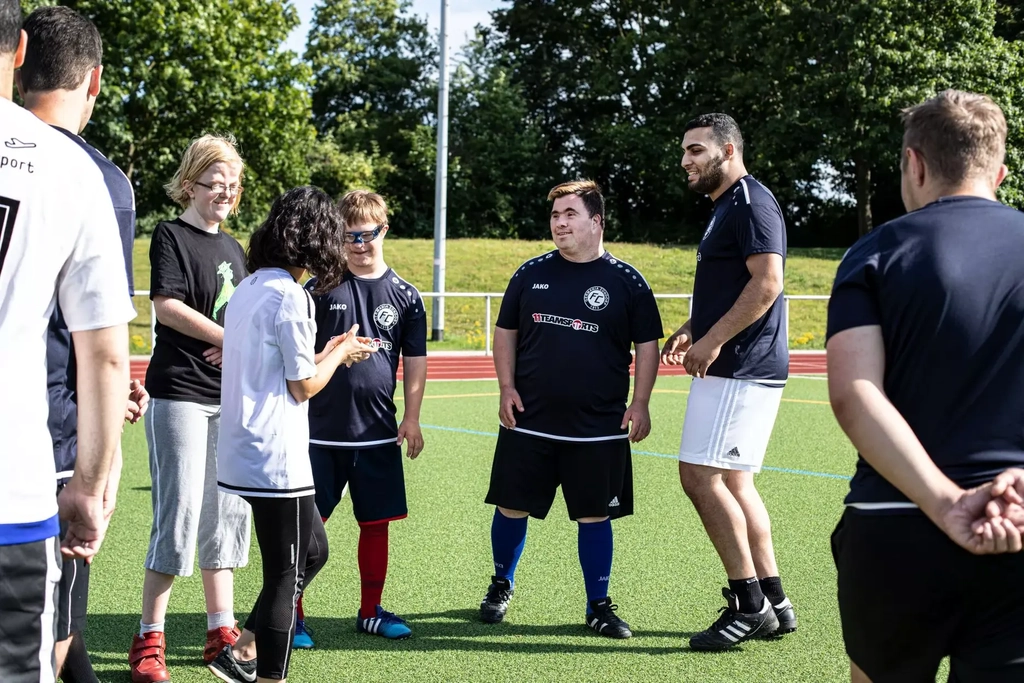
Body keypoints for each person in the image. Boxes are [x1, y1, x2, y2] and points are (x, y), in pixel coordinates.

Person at [826, 89, 1024, 683]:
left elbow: (853, 394)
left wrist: (944, 501)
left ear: (914, 163)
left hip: (894, 523)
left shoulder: (876, 251)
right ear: (1001, 171)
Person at [0, 1, 136, 680]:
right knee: (44, 646)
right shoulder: (81, 172)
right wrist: (94, 477)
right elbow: (106, 350)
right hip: (26, 472)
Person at [479, 179, 662, 639]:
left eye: (570, 214)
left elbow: (647, 345)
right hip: (530, 419)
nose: (559, 223)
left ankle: (598, 605)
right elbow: (506, 334)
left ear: (596, 221)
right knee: (511, 506)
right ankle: (501, 583)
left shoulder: (628, 281)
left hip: (598, 425)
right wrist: (505, 387)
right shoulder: (529, 274)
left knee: (594, 515)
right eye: (556, 215)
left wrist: (640, 402)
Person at [211, 186, 376, 683]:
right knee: (284, 576)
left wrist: (330, 350)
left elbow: (284, 367)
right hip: (275, 456)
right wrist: (342, 357)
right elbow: (303, 387)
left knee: (314, 551)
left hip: (245, 448)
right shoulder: (291, 295)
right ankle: (267, 675)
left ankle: (239, 649)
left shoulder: (250, 287)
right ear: (318, 239)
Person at [661, 112, 795, 650]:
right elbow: (736, 284)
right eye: (685, 152)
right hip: (739, 361)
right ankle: (777, 601)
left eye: (696, 150)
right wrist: (694, 327)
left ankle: (749, 605)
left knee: (699, 478)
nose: (687, 161)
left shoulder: (751, 203)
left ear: (729, 149)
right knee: (737, 483)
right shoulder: (727, 208)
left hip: (740, 365)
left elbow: (767, 284)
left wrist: (712, 342)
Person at [129, 134, 252, 683]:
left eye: (232, 185)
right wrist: (229, 338)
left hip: (226, 400)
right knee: (176, 514)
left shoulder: (235, 248)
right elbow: (168, 305)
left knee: (225, 514)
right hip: (179, 392)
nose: (223, 193)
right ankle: (148, 638)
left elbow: (244, 316)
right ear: (190, 183)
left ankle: (219, 629)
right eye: (214, 183)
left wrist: (239, 343)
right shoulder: (171, 235)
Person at [292, 190, 427, 646]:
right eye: (348, 235)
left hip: (376, 435)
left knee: (375, 525)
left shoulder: (406, 295)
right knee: (304, 531)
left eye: (366, 234)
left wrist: (412, 417)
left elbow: (416, 360)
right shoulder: (317, 288)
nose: (357, 243)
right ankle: (291, 614)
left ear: (383, 230)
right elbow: (294, 355)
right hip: (319, 434)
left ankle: (370, 611)